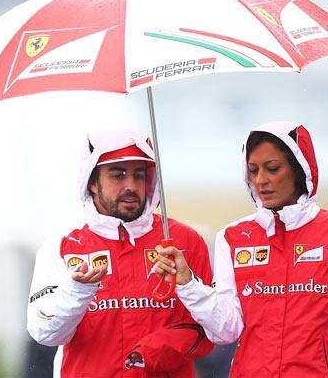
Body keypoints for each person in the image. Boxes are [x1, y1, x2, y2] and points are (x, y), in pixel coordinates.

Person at [155, 120, 328, 377]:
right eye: (253, 170)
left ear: (299, 169)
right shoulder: (233, 237)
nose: (261, 180)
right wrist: (188, 283)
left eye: (272, 168)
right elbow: (227, 330)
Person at [27, 129, 214, 377]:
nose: (131, 186)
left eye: (139, 175)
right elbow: (45, 332)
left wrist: (154, 351)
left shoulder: (184, 242)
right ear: (92, 182)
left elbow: (212, 330)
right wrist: (77, 292)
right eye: (118, 175)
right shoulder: (62, 246)